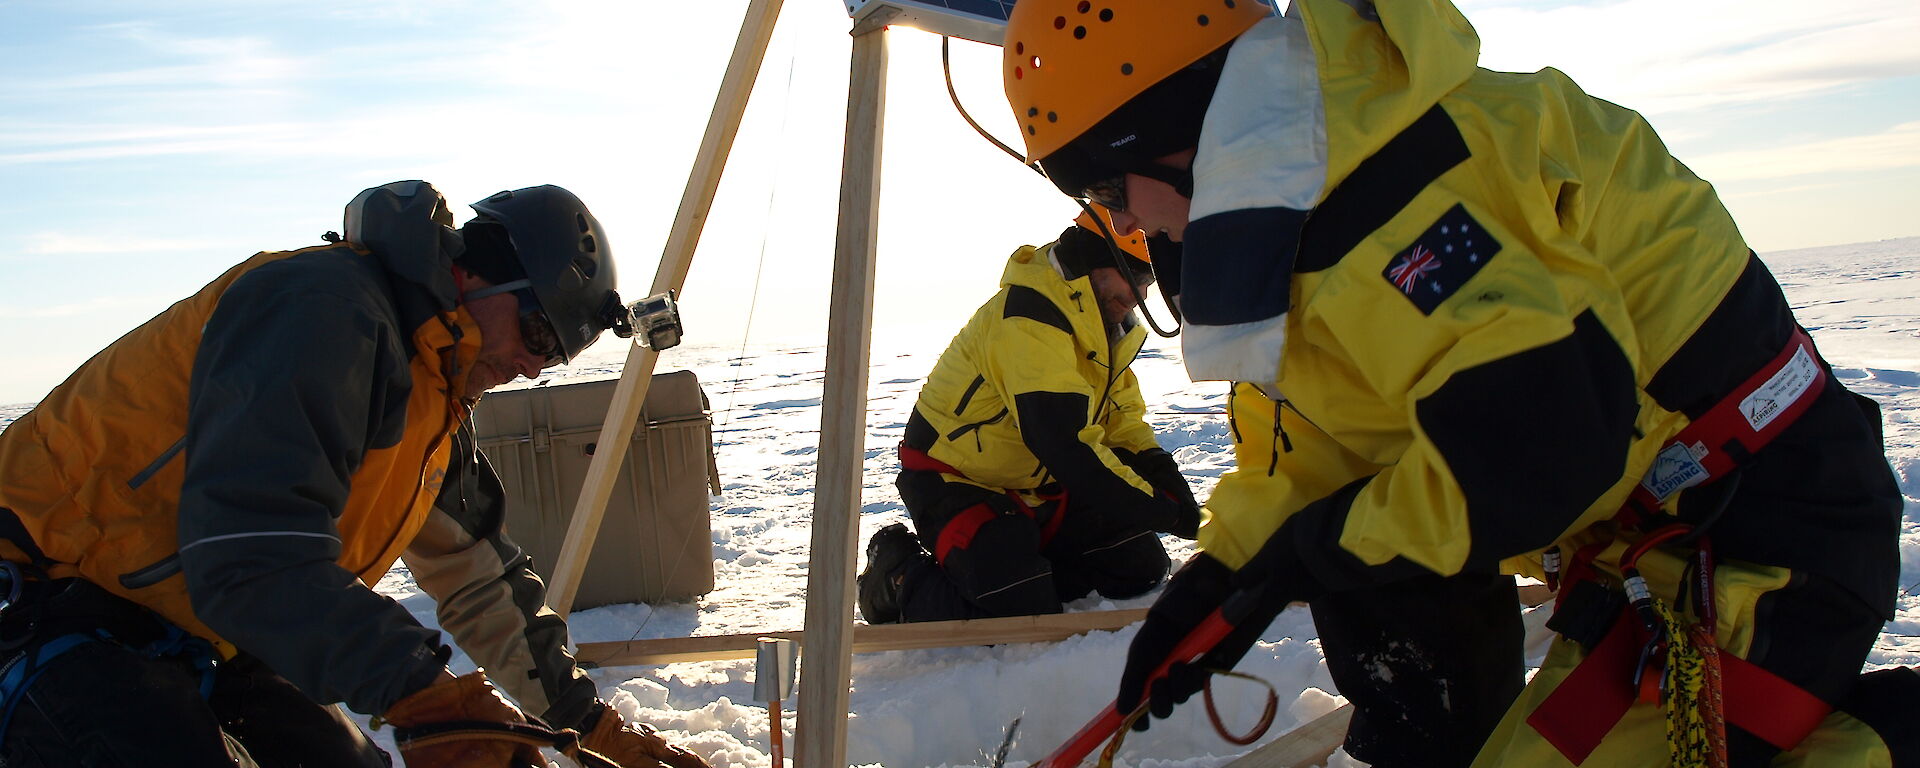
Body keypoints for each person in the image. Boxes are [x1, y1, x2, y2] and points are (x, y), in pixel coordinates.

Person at [1002, 1, 1916, 766]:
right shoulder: (1306, 189)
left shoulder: (1391, 197)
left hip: (1768, 534)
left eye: (1109, 194)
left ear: (1172, 134)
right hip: (1642, 530)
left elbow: (1546, 450)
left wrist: (1324, 545)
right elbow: (1325, 452)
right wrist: (1224, 579)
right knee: (1360, 560)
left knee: (1358, 549)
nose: (1119, 224)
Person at [0, 181, 710, 768]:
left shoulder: (435, 399)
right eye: (537, 335)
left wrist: (593, 732)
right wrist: (423, 692)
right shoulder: (324, 311)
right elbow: (248, 549)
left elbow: (481, 582)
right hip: (45, 605)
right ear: (477, 276)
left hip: (192, 632)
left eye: (553, 358)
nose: (532, 366)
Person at [857, 206, 1201, 625]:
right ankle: (896, 573)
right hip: (957, 480)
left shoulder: (1104, 329)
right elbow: (1065, 442)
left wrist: (1164, 480)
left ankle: (1015, 557)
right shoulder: (1028, 317)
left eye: (1148, 282)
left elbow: (1121, 424)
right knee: (1017, 601)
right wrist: (1165, 512)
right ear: (1093, 263)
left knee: (1138, 567)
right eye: (1135, 279)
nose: (1140, 296)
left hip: (1039, 485)